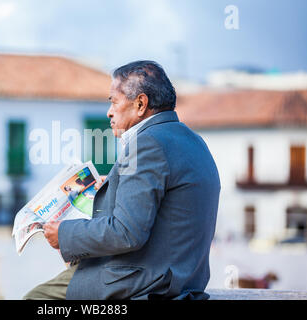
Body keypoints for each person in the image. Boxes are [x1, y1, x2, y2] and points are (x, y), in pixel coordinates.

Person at [24, 60, 221, 300]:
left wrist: (63, 233)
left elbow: (127, 232)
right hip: (182, 279)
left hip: (145, 283)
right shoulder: (192, 140)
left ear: (140, 104)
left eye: (114, 101)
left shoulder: (146, 144)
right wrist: (114, 185)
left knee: (36, 298)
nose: (109, 112)